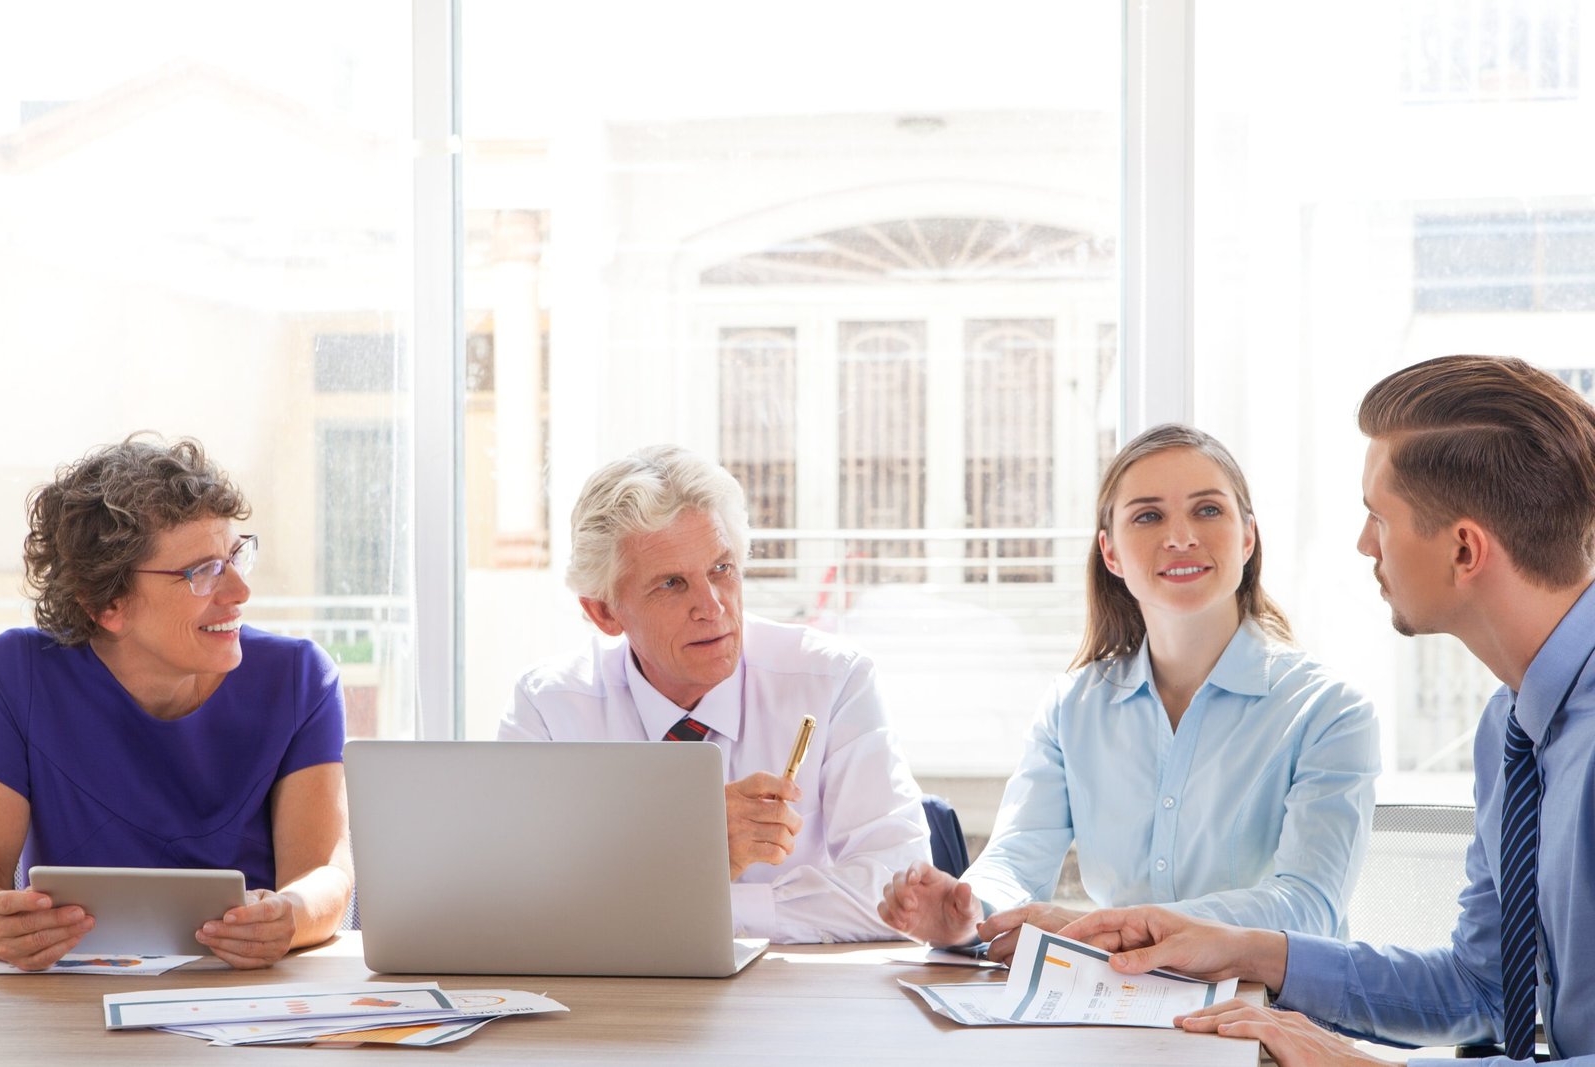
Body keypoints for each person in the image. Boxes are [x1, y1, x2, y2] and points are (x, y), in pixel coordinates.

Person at [1060, 355, 1595, 1066]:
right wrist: (1253, 951)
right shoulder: (1512, 727)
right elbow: (1485, 987)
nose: (1364, 542)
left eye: (1379, 517)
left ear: (1464, 549)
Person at [878, 424, 1380, 962]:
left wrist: (1116, 928)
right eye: (1148, 516)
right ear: (1111, 552)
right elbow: (1017, 858)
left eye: (1208, 510)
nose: (1181, 537)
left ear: (1247, 538)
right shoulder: (1072, 707)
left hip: (1266, 1006)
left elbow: (1307, 907)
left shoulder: (1329, 712)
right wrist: (970, 912)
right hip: (1115, 997)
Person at [498, 444, 930, 943]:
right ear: (604, 612)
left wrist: (700, 897)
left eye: (721, 569)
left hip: (794, 988)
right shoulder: (548, 708)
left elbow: (902, 892)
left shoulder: (832, 681)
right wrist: (686, 853)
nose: (712, 606)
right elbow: (515, 901)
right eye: (671, 584)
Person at [0, 436, 352, 971]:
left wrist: (290, 916)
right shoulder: (16, 674)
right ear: (107, 603)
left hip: (248, 992)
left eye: (236, 556)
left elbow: (325, 876)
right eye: (203, 572)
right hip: (72, 994)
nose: (239, 591)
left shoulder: (301, 678)